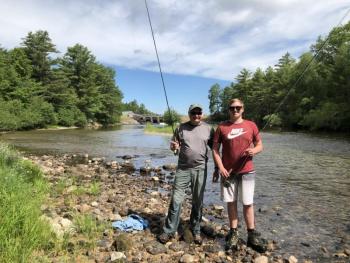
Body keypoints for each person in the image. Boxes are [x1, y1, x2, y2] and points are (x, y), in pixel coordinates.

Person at [212, 98, 267, 252]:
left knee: (248, 203)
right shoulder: (221, 127)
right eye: (232, 108)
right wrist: (220, 167)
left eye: (238, 108)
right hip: (228, 172)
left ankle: (251, 234)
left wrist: (254, 151)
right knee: (231, 202)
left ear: (243, 109)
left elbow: (260, 145)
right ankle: (233, 232)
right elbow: (215, 149)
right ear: (228, 110)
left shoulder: (251, 125)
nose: (235, 110)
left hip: (247, 171)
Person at [157, 104, 214, 245]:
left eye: (199, 112)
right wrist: (173, 147)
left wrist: (221, 166)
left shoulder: (209, 129)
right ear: (189, 114)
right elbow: (174, 147)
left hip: (200, 169)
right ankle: (169, 230)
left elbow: (216, 149)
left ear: (202, 113)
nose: (196, 115)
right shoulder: (180, 128)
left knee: (197, 201)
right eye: (193, 112)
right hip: (182, 169)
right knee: (176, 200)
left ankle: (196, 230)